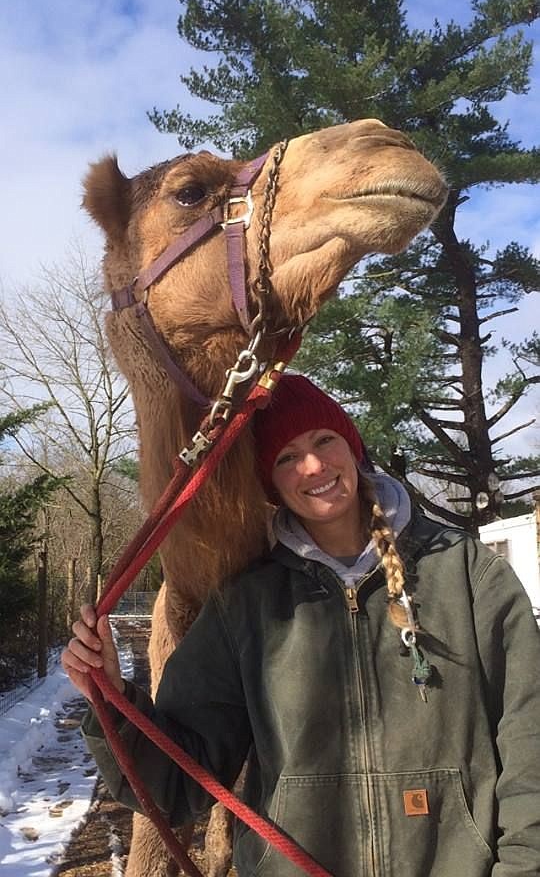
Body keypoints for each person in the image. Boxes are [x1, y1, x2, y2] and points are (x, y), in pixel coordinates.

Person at [62, 375, 540, 877]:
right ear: (271, 482)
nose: (312, 466)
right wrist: (110, 697)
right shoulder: (247, 603)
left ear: (351, 446)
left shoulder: (464, 572)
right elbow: (180, 786)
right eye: (286, 458)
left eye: (323, 441)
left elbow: (529, 736)